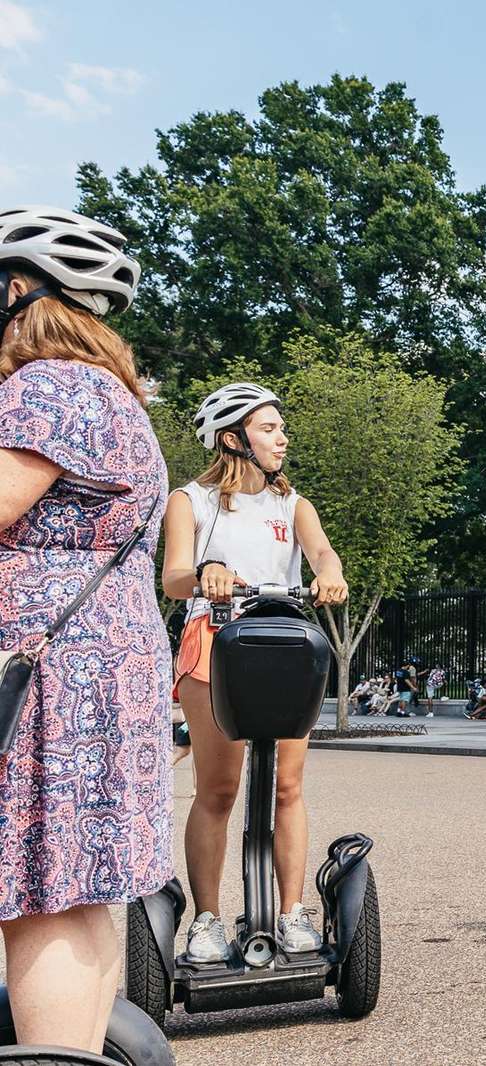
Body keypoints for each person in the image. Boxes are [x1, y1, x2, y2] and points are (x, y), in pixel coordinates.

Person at [0, 205, 169, 1051]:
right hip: (100, 658)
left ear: (18, 290)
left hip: (48, 673)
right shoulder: (109, 394)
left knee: (44, 887)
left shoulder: (49, 386)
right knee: (81, 883)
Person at [161, 379, 348, 966]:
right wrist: (207, 570)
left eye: (281, 428)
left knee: (288, 787)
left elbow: (321, 552)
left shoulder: (293, 505)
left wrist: (330, 571)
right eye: (269, 429)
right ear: (232, 438)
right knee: (218, 790)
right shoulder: (189, 500)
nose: (282, 439)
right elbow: (173, 577)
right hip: (214, 642)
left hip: (282, 644)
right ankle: (207, 920)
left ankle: (292, 913)